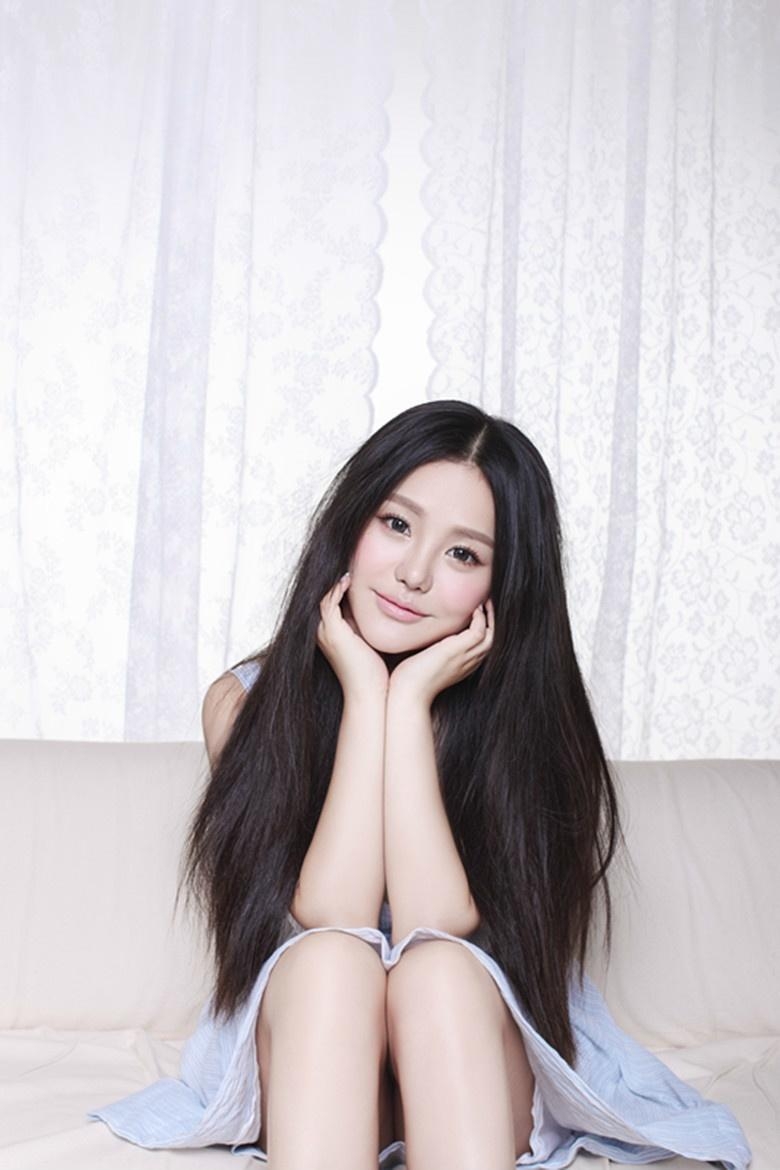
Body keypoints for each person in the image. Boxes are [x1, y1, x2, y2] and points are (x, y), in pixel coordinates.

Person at [89, 400, 750, 1170]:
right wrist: (365, 695)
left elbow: (437, 924)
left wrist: (408, 705)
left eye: (463, 554)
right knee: (332, 962)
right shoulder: (247, 703)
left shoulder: (527, 723)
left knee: (437, 971)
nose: (413, 573)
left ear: (504, 585)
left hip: (465, 1058)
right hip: (317, 1058)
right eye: (397, 524)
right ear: (351, 523)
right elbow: (332, 914)